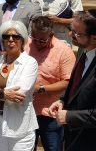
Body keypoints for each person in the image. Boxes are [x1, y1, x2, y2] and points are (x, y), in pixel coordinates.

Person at [45, 10, 96, 151]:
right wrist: (63, 100)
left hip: (92, 143)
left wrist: (69, 117)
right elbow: (78, 85)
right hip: (73, 138)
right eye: (72, 30)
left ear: (95, 39)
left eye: (77, 33)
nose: (71, 35)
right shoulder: (84, 50)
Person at [0, 20, 38, 150]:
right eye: (6, 37)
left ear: (22, 40)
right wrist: (1, 93)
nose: (10, 40)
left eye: (15, 36)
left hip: (20, 126)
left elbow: (19, 93)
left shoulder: (30, 63)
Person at [24, 16, 75, 151]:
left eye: (42, 40)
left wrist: (41, 88)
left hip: (50, 113)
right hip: (26, 110)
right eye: (34, 38)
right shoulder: (25, 45)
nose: (37, 43)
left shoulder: (64, 51)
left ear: (51, 34)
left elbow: (67, 82)